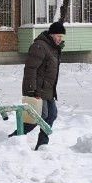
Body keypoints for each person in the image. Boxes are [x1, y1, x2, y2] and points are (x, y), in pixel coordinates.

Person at [18, 21, 65, 149]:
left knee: (52, 115)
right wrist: (31, 91)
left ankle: (42, 144)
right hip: (37, 90)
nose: (60, 39)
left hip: (48, 90)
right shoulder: (39, 46)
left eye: (61, 36)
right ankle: (15, 138)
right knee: (36, 117)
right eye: (58, 36)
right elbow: (30, 69)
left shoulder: (53, 48)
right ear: (51, 34)